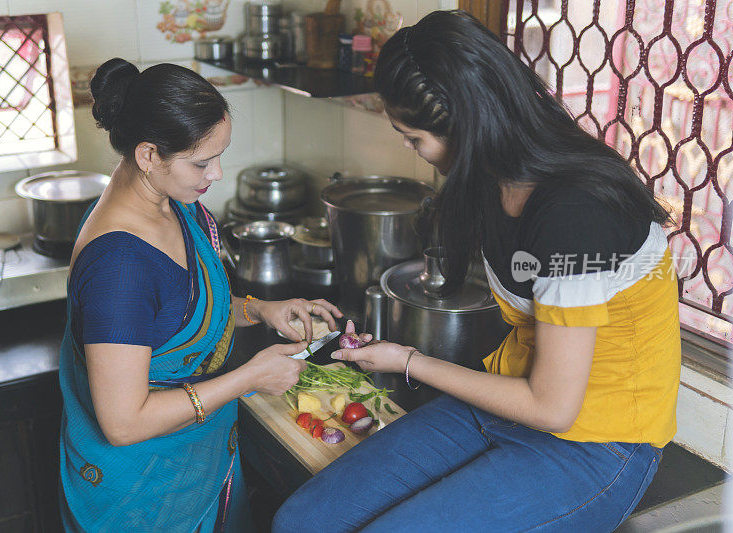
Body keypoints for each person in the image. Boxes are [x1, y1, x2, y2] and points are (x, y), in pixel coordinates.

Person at [273, 10, 680, 532]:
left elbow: (553, 407)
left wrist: (407, 360)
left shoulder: (576, 214)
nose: (407, 147)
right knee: (302, 521)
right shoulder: (492, 177)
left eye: (413, 137)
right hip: (510, 396)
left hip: (598, 442)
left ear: (468, 127)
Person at [58, 58, 342, 532]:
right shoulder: (120, 267)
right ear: (148, 154)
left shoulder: (168, 203)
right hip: (143, 496)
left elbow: (178, 310)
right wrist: (250, 376)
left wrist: (261, 310)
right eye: (201, 161)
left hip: (194, 467)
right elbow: (123, 423)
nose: (217, 173)